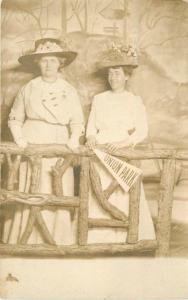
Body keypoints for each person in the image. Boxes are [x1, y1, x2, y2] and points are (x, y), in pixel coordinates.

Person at [3, 37, 84, 245]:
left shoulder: (69, 90)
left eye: (53, 60)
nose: (48, 65)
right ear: (37, 63)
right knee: (32, 186)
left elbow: (77, 120)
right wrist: (19, 138)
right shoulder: (28, 88)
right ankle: (24, 237)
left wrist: (74, 138)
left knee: (55, 187)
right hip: (32, 140)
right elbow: (15, 117)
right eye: (44, 60)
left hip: (59, 142)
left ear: (60, 63)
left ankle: (58, 239)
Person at [86, 42, 156, 243]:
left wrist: (125, 143)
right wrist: (91, 138)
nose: (112, 77)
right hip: (101, 151)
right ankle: (98, 235)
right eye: (110, 73)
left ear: (126, 76)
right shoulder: (99, 99)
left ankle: (127, 233)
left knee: (125, 192)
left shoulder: (134, 101)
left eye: (117, 73)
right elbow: (91, 127)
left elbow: (142, 130)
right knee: (100, 190)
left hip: (123, 150)